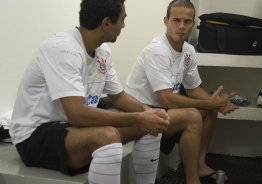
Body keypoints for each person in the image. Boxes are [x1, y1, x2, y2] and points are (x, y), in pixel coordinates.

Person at [9, 0, 170, 184]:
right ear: (107, 23)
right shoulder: (63, 49)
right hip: (34, 136)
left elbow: (119, 97)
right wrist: (139, 118)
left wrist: (149, 113)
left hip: (69, 126)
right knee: (108, 136)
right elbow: (77, 115)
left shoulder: (103, 51)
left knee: (150, 123)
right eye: (123, 19)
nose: (124, 25)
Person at [125, 0, 238, 184]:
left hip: (162, 110)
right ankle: (192, 180)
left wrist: (219, 103)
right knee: (194, 115)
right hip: (142, 111)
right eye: (176, 20)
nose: (182, 26)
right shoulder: (157, 50)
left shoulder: (188, 51)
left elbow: (193, 89)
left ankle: (200, 166)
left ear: (193, 24)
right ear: (166, 21)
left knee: (210, 111)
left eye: (187, 21)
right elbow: (166, 98)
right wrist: (207, 102)